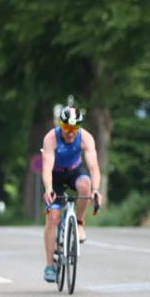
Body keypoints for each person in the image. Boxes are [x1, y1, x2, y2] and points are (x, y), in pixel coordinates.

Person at [41, 103, 103, 282]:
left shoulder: (86, 138)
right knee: (53, 217)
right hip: (55, 175)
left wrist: (96, 190)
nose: (70, 132)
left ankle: (80, 222)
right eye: (67, 127)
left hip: (75, 171)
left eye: (74, 128)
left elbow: (94, 167)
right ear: (60, 125)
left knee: (86, 187)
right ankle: (49, 265)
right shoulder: (51, 138)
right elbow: (46, 168)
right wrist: (48, 189)